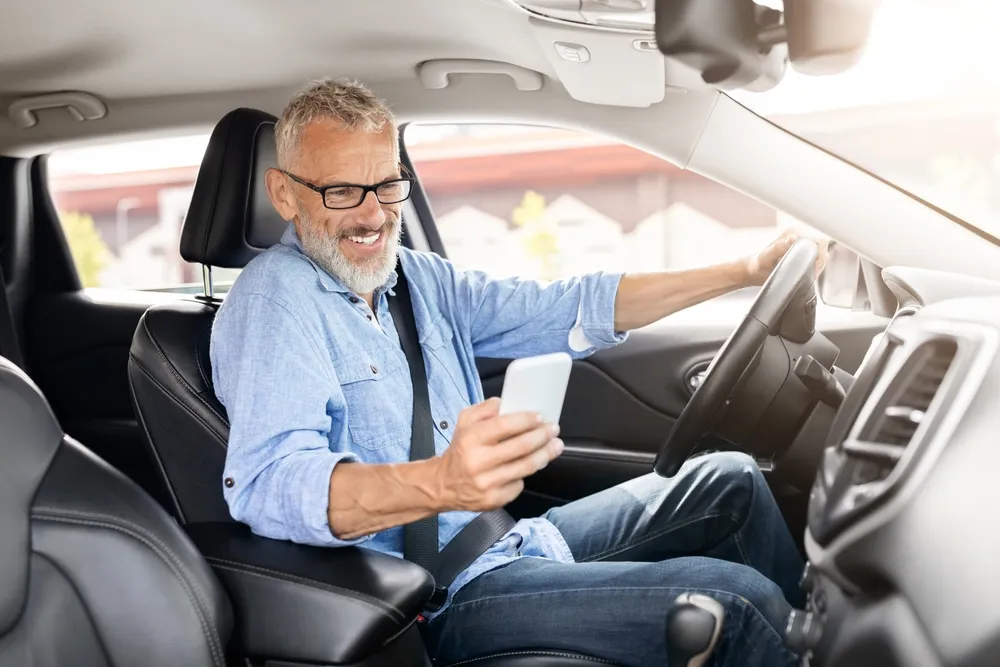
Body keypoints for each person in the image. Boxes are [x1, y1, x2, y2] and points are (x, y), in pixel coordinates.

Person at [211, 78, 821, 667]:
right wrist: (440, 482)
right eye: (342, 191)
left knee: (730, 478)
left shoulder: (416, 279)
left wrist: (744, 270)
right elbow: (269, 484)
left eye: (387, 185)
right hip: (433, 599)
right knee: (737, 601)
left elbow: (563, 308)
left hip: (501, 542)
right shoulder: (273, 304)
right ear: (284, 194)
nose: (372, 214)